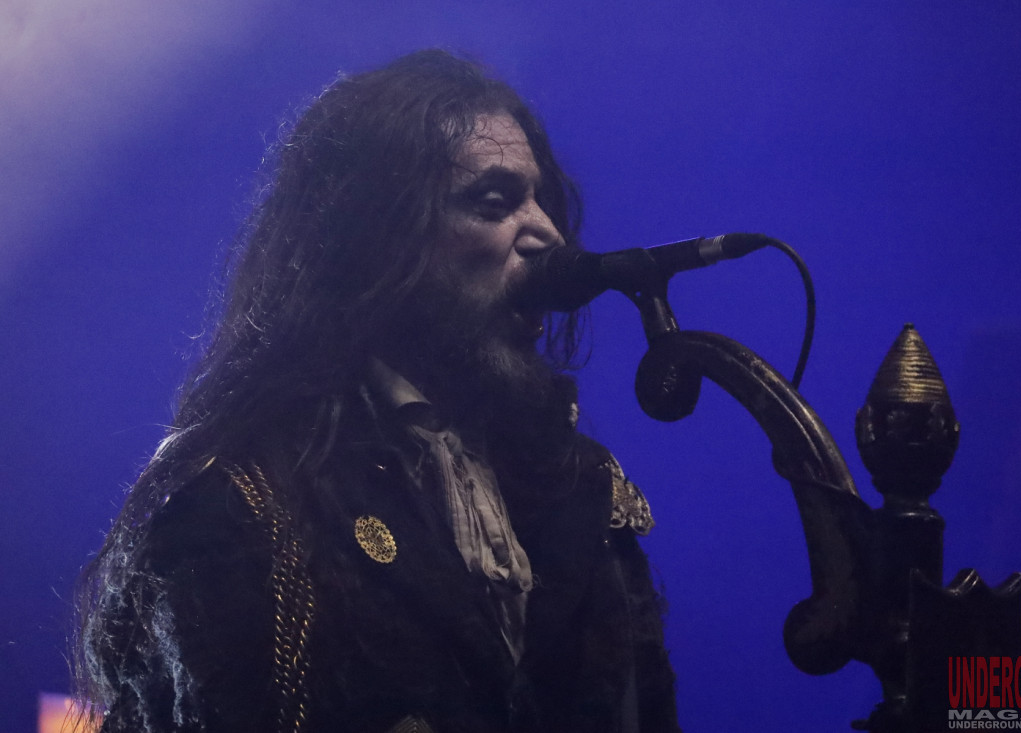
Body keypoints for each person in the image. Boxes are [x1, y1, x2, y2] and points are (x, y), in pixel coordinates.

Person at [73, 49, 679, 733]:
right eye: (495, 202)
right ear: (380, 236)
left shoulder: (581, 485)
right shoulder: (245, 504)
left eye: (541, 199)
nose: (547, 233)